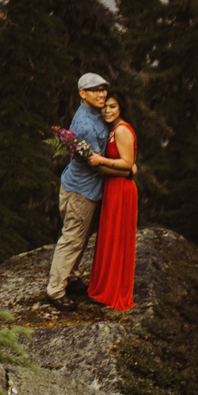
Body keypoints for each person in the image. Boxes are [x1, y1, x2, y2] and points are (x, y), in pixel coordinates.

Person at [44, 72, 113, 308]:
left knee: (81, 237)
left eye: (103, 89)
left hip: (88, 188)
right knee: (73, 237)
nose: (101, 94)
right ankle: (55, 290)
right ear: (83, 94)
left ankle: (71, 277)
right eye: (95, 90)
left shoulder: (96, 114)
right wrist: (125, 169)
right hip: (81, 190)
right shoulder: (85, 123)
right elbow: (98, 162)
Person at [86, 89, 139, 311]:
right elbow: (130, 167)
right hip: (114, 186)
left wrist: (101, 159)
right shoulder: (113, 129)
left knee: (117, 237)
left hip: (122, 190)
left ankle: (114, 290)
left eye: (113, 106)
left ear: (121, 108)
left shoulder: (122, 130)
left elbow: (128, 163)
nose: (107, 110)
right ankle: (106, 286)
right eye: (105, 106)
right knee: (109, 236)